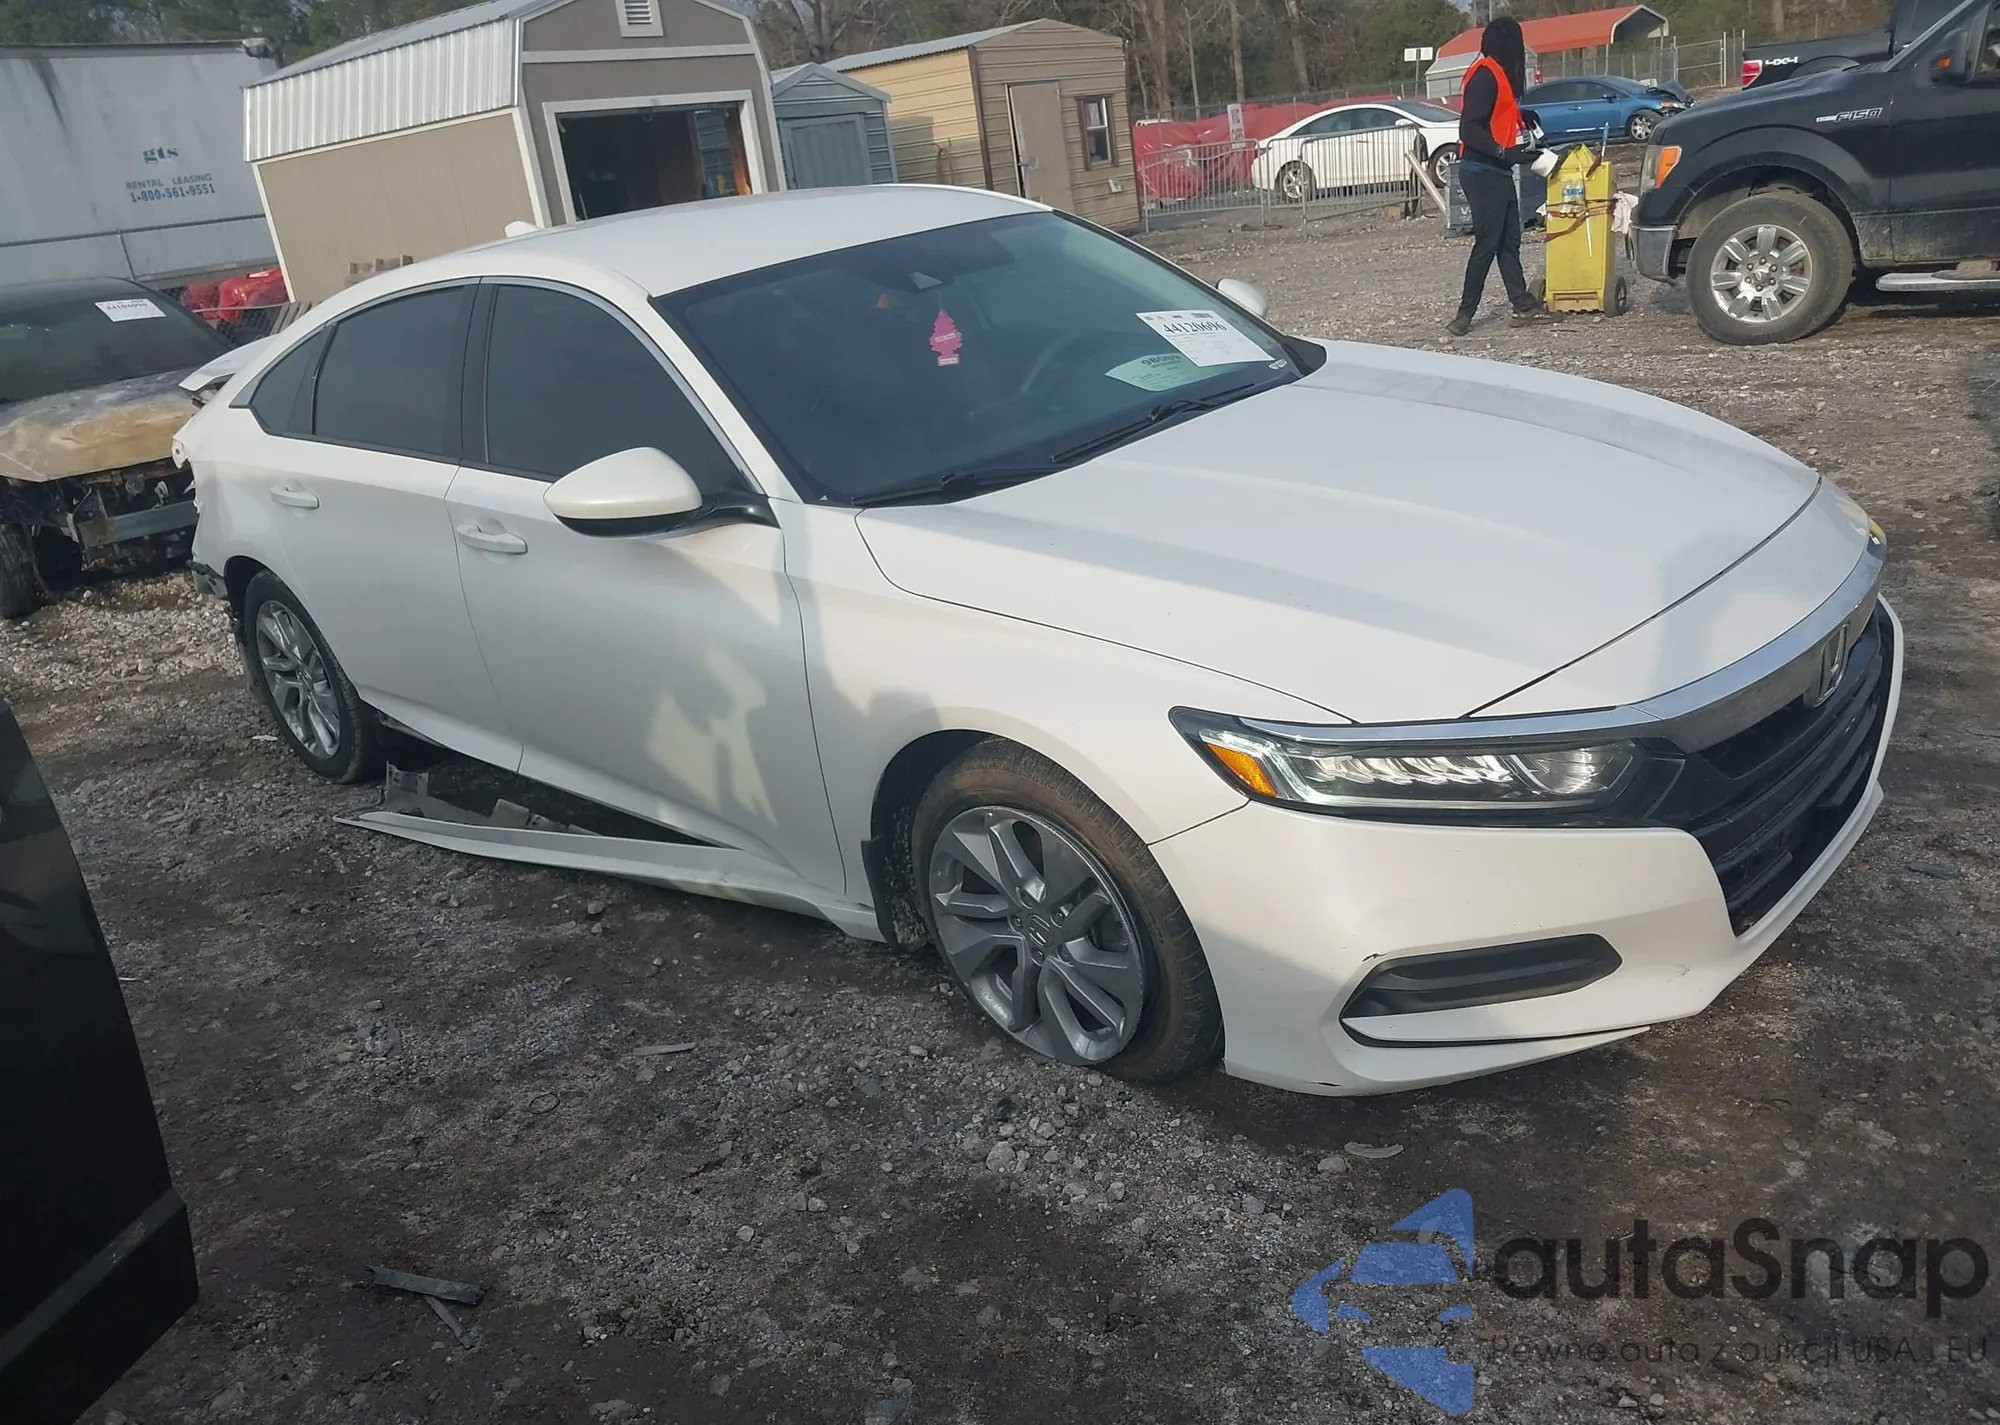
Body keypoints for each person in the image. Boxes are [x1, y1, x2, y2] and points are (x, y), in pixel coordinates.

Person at [1448, 17, 1557, 336]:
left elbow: (1496, 115)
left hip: (1497, 169)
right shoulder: (1486, 75)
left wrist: (1523, 116)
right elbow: (1469, 128)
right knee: (1487, 242)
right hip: (1481, 171)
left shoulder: (1496, 74)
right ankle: (1464, 315)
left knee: (1509, 240)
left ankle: (1522, 305)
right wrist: (1503, 152)